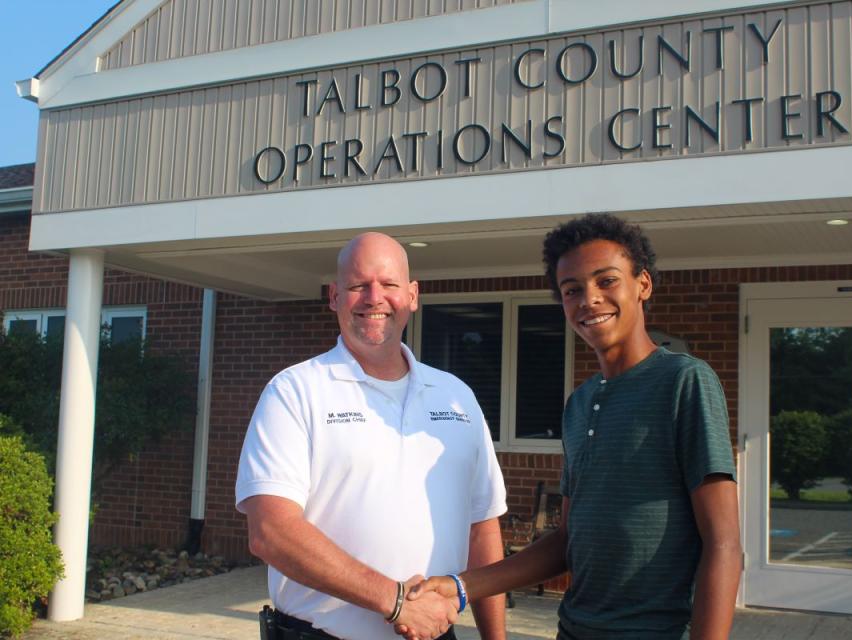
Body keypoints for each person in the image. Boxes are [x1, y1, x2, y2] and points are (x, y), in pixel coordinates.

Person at [405, 214, 741, 640]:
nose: (589, 299)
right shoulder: (580, 403)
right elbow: (567, 540)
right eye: (572, 290)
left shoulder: (684, 382)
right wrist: (460, 586)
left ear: (643, 285)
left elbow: (724, 544)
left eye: (607, 281)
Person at [236, 232, 508, 640]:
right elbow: (270, 531)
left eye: (389, 284)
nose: (374, 298)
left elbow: (481, 528)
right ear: (334, 296)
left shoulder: (457, 397)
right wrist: (395, 601)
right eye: (358, 285)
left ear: (413, 295)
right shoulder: (295, 391)